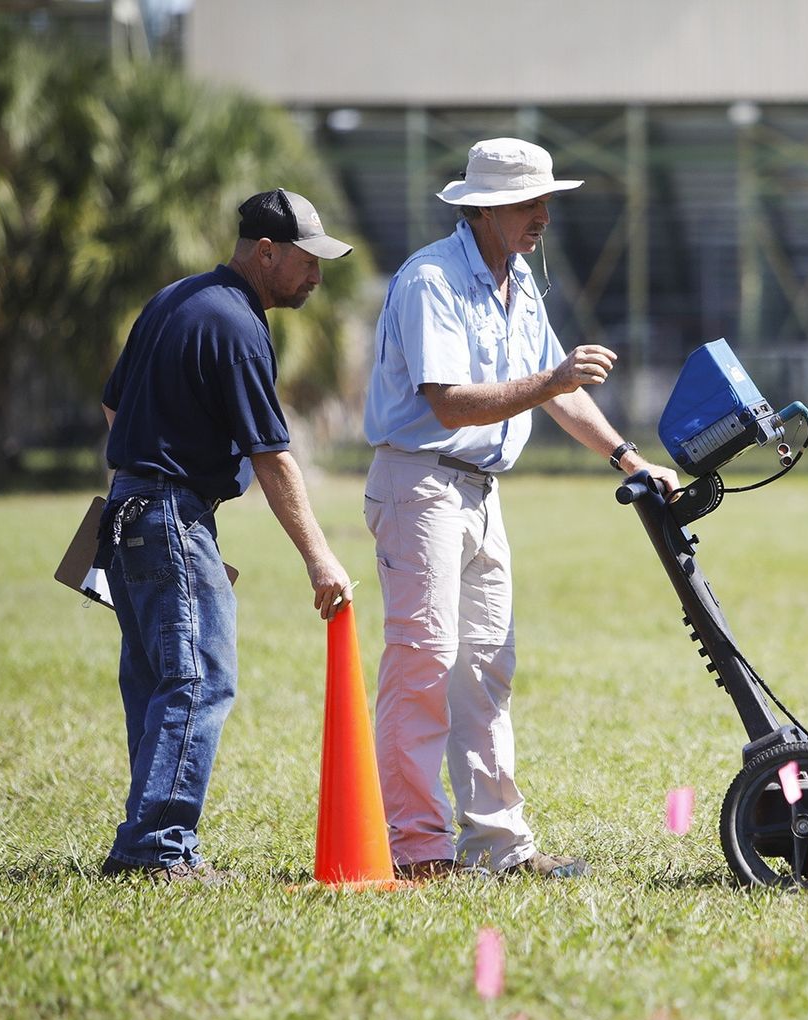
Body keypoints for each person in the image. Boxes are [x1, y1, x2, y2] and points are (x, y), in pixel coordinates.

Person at [363, 138, 680, 880]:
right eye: (528, 202)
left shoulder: (521, 280)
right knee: (423, 663)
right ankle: (416, 849)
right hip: (421, 486)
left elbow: (560, 390)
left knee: (484, 667)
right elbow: (447, 405)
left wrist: (629, 459)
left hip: (478, 493)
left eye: (545, 201)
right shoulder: (430, 280)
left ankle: (499, 847)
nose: (543, 215)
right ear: (484, 208)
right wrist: (549, 381)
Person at [97, 188, 356, 884]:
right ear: (266, 252)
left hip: (127, 509)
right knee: (199, 678)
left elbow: (113, 403)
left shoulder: (175, 300)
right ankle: (156, 850)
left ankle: (147, 838)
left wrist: (161, 482)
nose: (315, 278)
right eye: (307, 262)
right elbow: (273, 458)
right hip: (166, 512)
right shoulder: (238, 325)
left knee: (157, 680)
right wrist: (320, 557)